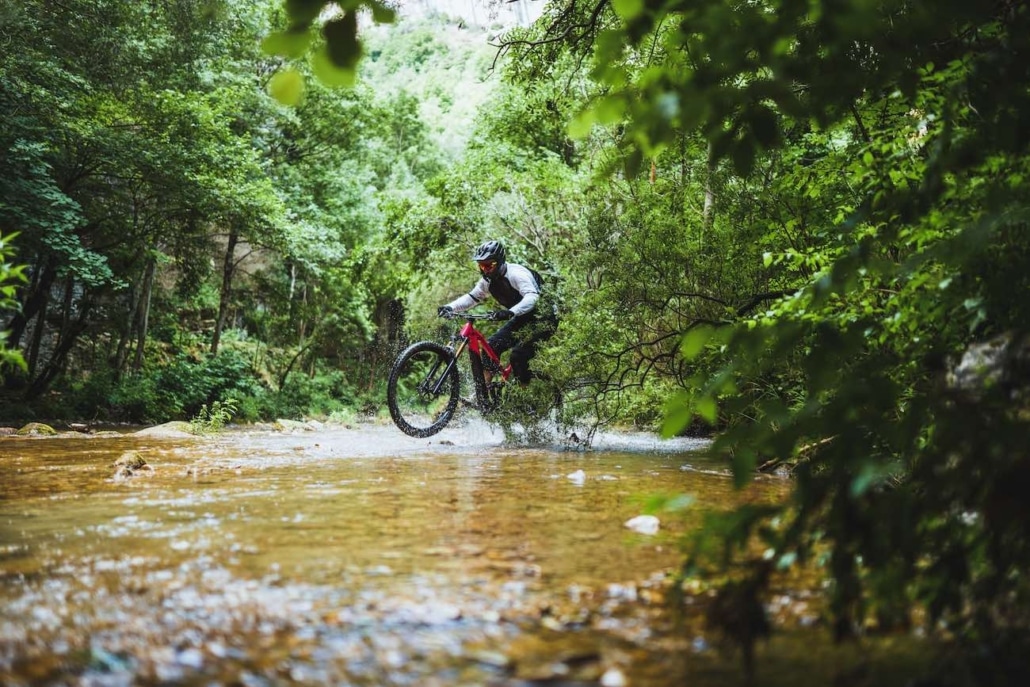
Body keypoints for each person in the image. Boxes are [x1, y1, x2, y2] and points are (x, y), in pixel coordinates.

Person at [437, 240, 558, 385]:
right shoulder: (487, 281)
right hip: (522, 317)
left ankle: (524, 397)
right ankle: (483, 394)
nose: (485, 269)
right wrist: (450, 307)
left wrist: (510, 312)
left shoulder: (516, 274)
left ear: (500, 262)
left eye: (489, 265)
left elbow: (532, 297)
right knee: (491, 348)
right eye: (482, 265)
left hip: (545, 318)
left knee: (518, 356)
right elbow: (472, 297)